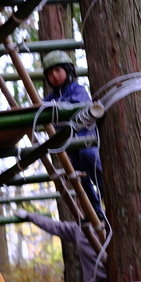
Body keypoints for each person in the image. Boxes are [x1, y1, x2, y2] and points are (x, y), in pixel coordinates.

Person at [42, 50, 105, 220]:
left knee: (89, 159)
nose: (54, 75)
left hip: (86, 139)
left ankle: (108, 194)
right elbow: (41, 107)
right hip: (70, 144)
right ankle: (95, 208)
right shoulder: (52, 96)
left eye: (57, 70)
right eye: (50, 73)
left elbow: (78, 104)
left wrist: (57, 107)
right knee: (77, 175)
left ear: (68, 70)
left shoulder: (77, 89)